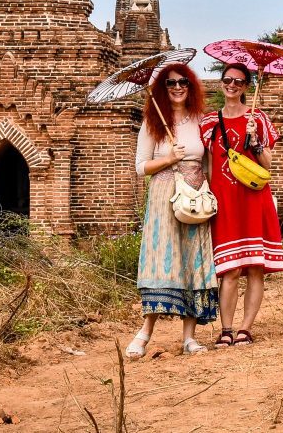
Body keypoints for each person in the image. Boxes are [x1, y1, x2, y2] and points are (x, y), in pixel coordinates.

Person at [125, 63, 218, 358]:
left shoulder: (199, 121)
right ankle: (144, 333)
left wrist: (210, 191)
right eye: (170, 84)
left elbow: (208, 162)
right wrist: (167, 158)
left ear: (191, 87)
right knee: (163, 259)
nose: (177, 88)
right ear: (162, 90)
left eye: (183, 83)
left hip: (194, 193)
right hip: (165, 194)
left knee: (194, 259)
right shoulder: (153, 122)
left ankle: (189, 337)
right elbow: (141, 168)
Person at [200, 63, 283, 347]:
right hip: (224, 200)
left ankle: (245, 329)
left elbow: (270, 165)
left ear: (247, 86)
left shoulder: (258, 118)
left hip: (254, 198)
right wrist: (209, 196)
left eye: (238, 81)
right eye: (227, 80)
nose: (232, 85)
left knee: (254, 268)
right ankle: (226, 328)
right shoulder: (210, 122)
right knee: (230, 269)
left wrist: (256, 142)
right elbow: (209, 165)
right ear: (221, 84)